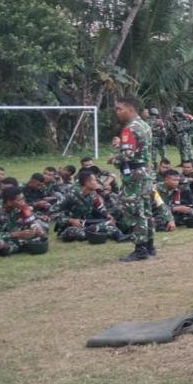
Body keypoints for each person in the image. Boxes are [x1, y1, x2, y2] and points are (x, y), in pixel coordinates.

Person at [112, 95, 155, 261]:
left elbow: (128, 155)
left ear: (130, 109)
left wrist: (114, 159)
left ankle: (140, 248)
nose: (117, 112)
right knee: (146, 209)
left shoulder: (129, 128)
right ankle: (150, 245)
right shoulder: (145, 125)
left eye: (119, 108)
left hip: (134, 175)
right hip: (145, 172)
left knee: (135, 210)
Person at [53, 171, 125, 242]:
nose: (97, 182)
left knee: (114, 215)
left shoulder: (92, 194)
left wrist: (108, 215)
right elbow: (53, 213)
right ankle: (103, 229)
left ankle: (104, 229)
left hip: (84, 223)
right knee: (80, 233)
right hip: (68, 227)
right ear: (87, 183)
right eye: (94, 180)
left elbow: (99, 207)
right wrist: (70, 220)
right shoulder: (71, 195)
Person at [0, 186, 49, 256]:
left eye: (23, 199)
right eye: (20, 200)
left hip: (11, 234)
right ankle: (19, 246)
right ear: (9, 202)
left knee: (42, 228)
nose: (23, 202)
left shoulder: (20, 206)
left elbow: (31, 221)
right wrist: (16, 234)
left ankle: (20, 246)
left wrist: (36, 229)